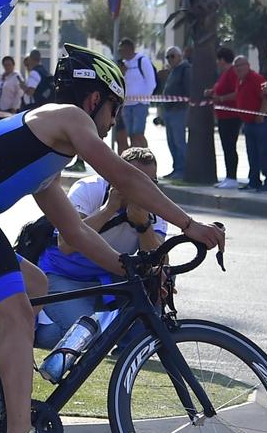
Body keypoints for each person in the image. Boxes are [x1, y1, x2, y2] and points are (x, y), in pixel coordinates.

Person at [0, 43, 223, 433]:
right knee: (18, 315)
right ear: (95, 99)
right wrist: (190, 226)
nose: (113, 124)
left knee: (35, 286)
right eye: (113, 111)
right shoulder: (69, 118)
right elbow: (126, 176)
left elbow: (72, 232)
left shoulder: (46, 153)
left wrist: (128, 267)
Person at [37, 147, 171, 344]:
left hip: (111, 280)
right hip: (65, 276)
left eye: (151, 183)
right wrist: (109, 210)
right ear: (115, 177)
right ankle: (34, 331)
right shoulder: (89, 189)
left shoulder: (154, 203)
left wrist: (144, 226)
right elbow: (65, 244)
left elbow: (159, 262)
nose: (143, 189)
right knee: (85, 337)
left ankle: (128, 339)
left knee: (153, 289)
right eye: (135, 182)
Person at [207, 46, 243, 187]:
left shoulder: (232, 73)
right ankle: (229, 176)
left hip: (231, 115)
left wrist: (221, 99)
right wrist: (211, 92)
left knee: (230, 146)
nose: (217, 63)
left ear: (222, 60)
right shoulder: (224, 74)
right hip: (223, 116)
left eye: (218, 60)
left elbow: (236, 92)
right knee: (226, 146)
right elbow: (220, 88)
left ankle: (232, 177)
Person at [116, 37, 157, 151]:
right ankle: (136, 159)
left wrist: (143, 99)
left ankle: (146, 156)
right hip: (127, 105)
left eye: (122, 50)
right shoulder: (123, 65)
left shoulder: (142, 61)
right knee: (131, 134)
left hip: (140, 104)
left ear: (129, 49)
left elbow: (151, 83)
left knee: (138, 133)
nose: (121, 53)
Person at [158, 46, 190, 178]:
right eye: (168, 57)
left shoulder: (186, 70)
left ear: (179, 56)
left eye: (172, 56)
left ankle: (183, 170)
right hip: (169, 111)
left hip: (179, 111)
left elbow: (189, 91)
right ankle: (176, 168)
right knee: (171, 142)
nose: (170, 59)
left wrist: (183, 106)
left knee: (179, 141)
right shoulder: (173, 71)